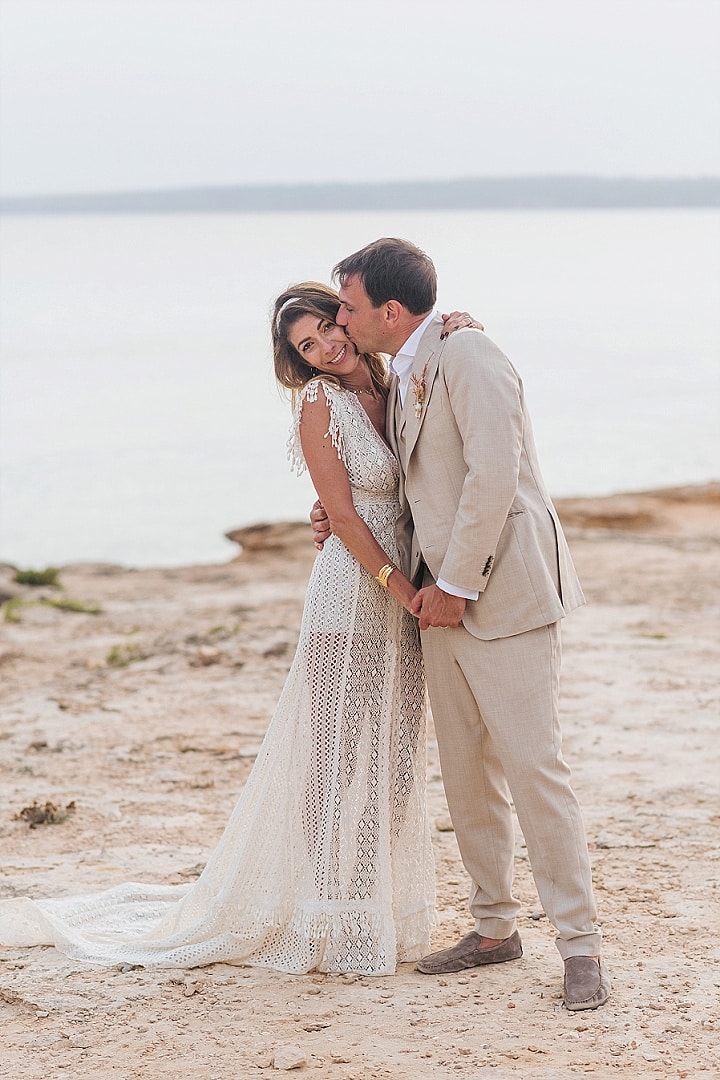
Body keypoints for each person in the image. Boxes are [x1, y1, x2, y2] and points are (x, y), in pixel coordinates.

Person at [0, 284, 475, 977]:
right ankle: (326, 905)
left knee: (395, 759)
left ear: (348, 317)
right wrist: (405, 592)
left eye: (326, 330)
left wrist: (459, 323)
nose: (326, 348)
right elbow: (341, 518)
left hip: (407, 598)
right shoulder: (321, 405)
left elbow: (430, 425)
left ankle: (372, 900)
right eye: (306, 346)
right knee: (334, 759)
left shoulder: (395, 382)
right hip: (356, 595)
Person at [311, 238, 610, 1011]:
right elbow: (414, 485)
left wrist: (452, 584)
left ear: (391, 310)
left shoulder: (469, 355)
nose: (339, 319)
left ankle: (579, 945)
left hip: (499, 594)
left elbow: (494, 476)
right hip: (434, 605)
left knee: (535, 770)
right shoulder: (406, 371)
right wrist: (337, 516)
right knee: (467, 775)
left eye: (346, 305)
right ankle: (493, 928)